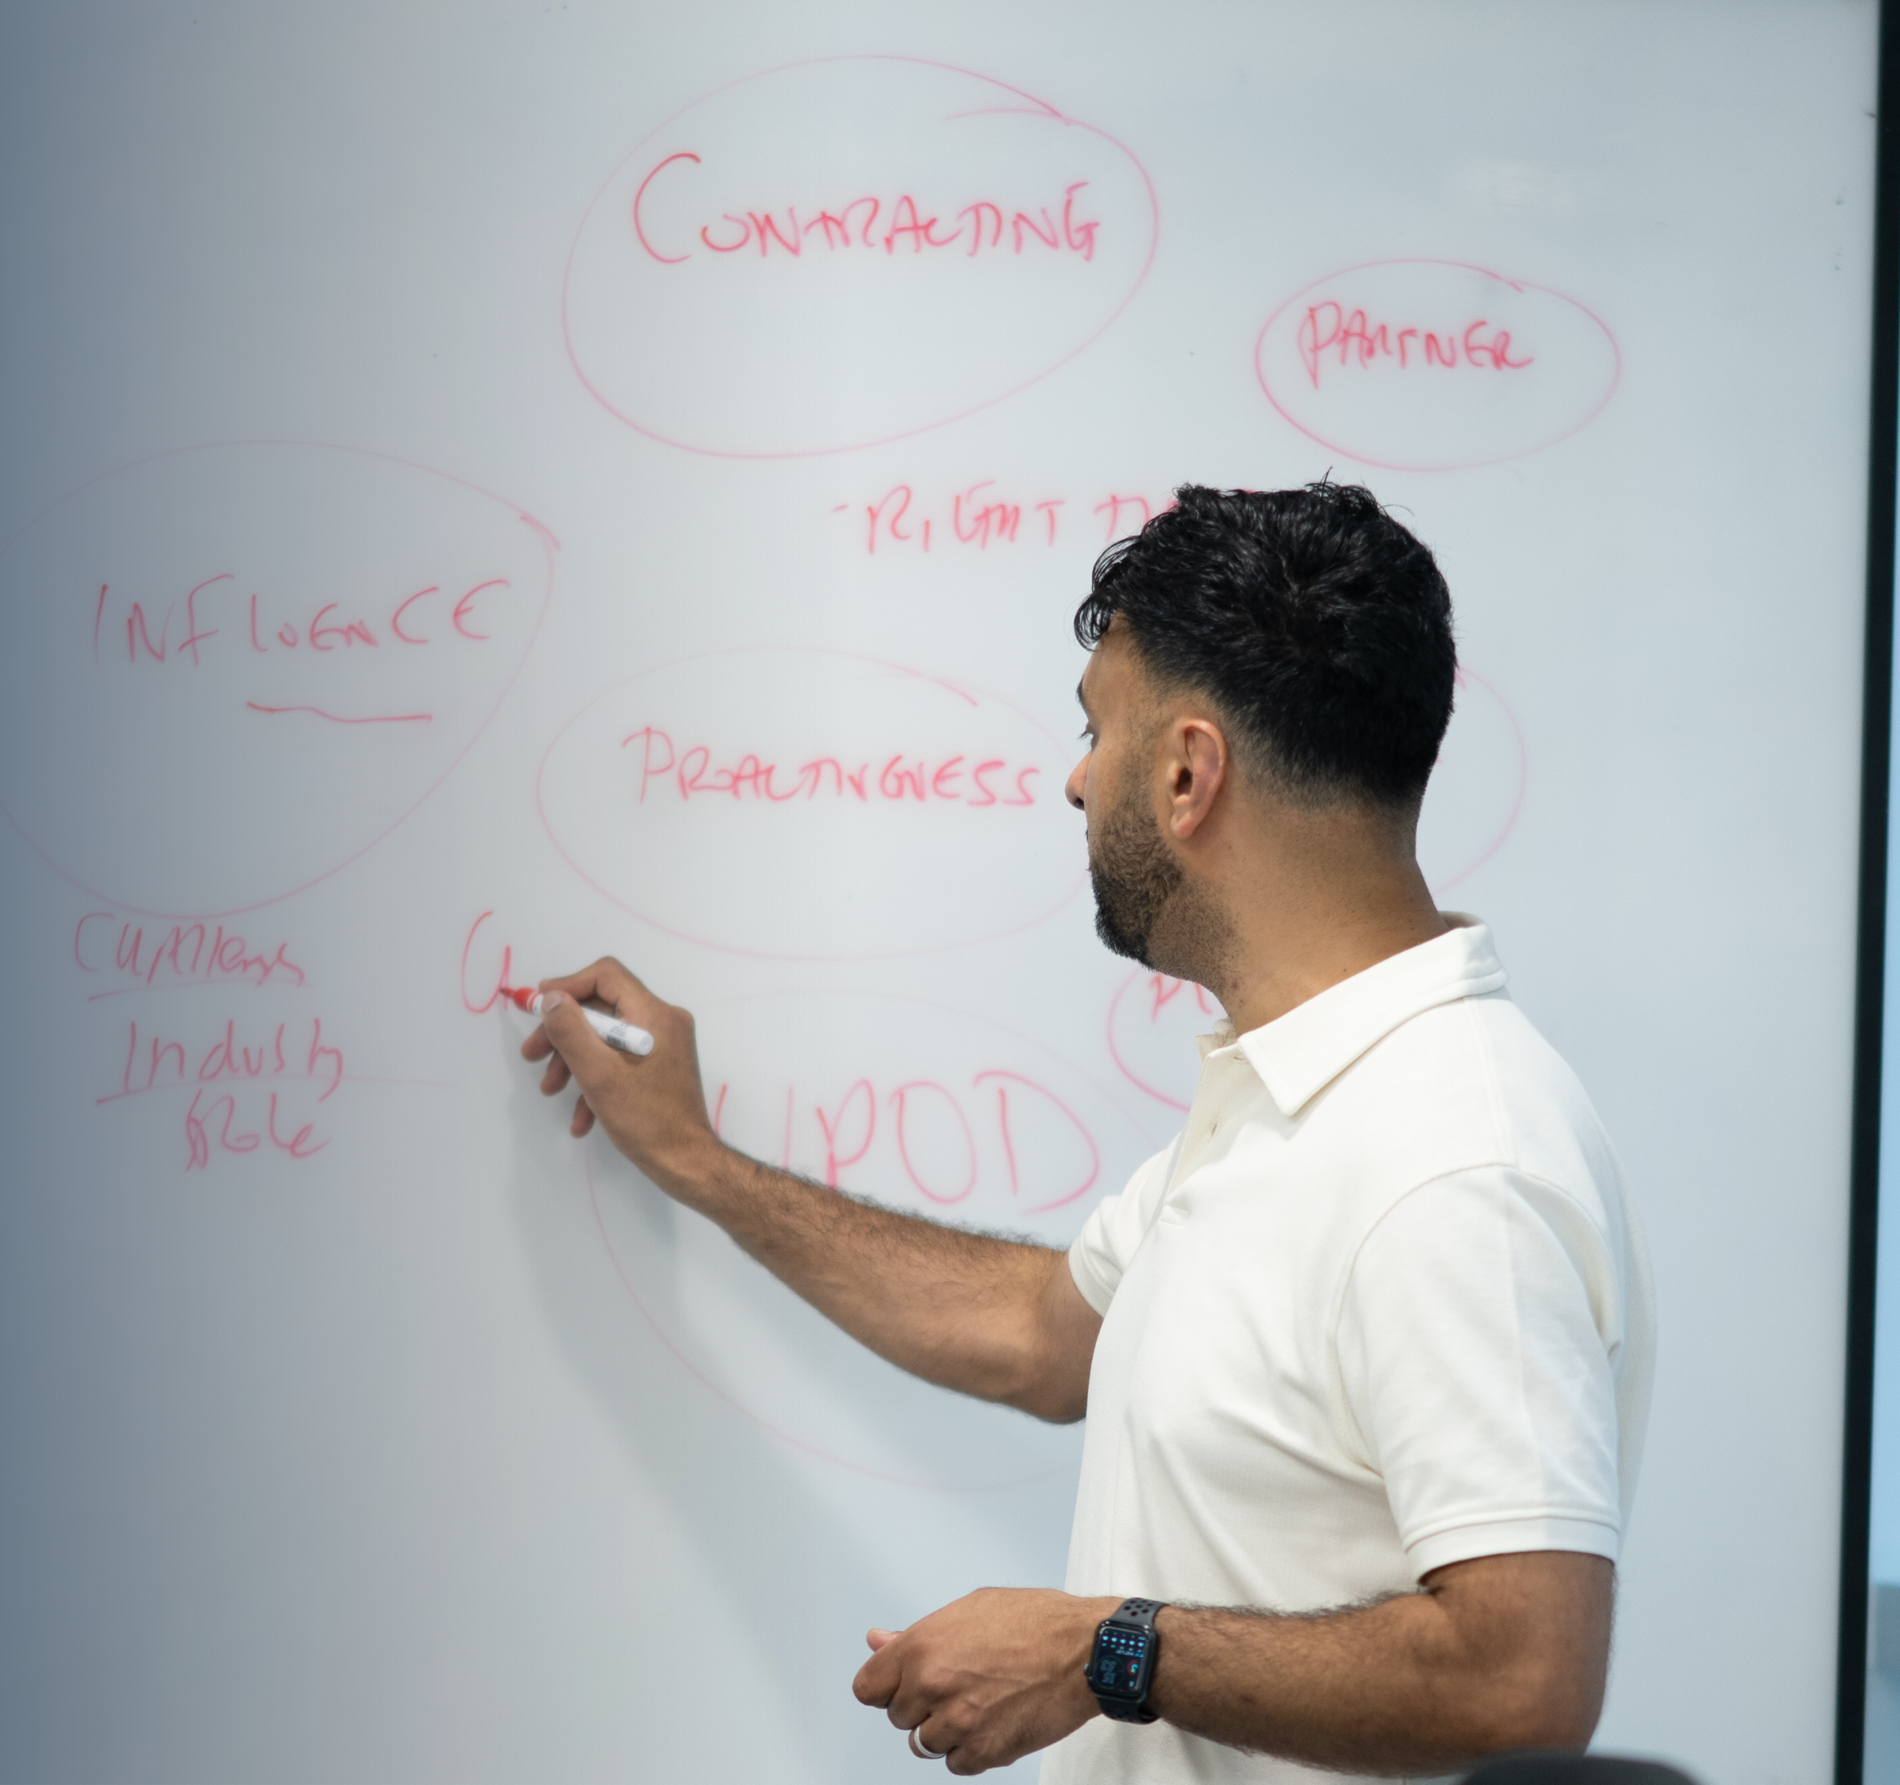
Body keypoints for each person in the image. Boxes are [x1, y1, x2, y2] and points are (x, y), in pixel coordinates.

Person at [517, 483, 1654, 1782]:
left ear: (1187, 773)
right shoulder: (1289, 1101)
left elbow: (1522, 1683)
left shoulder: (1451, 1162)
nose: (1075, 779)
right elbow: (1038, 1333)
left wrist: (1104, 1650)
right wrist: (698, 1163)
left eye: (1096, 730)